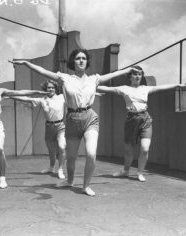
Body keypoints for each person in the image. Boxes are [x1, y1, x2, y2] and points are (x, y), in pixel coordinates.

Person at [11, 49, 136, 196]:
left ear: (87, 62)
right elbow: (43, 71)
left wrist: (128, 69)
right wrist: (26, 63)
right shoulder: (64, 78)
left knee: (90, 153)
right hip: (71, 120)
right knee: (71, 157)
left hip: (90, 118)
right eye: (78, 58)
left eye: (84, 58)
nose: (81, 60)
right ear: (73, 62)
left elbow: (112, 74)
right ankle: (69, 181)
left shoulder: (94, 79)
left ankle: (86, 186)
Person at [97, 65, 186, 182]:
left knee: (145, 149)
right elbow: (106, 89)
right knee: (129, 151)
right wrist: (89, 85)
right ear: (130, 76)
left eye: (140, 74)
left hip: (145, 120)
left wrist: (177, 85)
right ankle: (125, 171)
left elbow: (161, 87)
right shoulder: (123, 88)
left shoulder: (145, 88)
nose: (138, 76)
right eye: (135, 74)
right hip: (131, 120)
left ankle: (140, 172)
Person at [10, 80, 66, 179]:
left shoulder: (61, 97)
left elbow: (76, 95)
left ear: (56, 89)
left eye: (53, 87)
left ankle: (60, 169)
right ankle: (52, 168)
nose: (51, 89)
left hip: (60, 126)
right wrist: (10, 95)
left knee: (61, 147)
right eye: (49, 87)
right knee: (51, 150)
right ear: (45, 89)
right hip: (49, 127)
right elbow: (26, 99)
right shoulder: (42, 100)